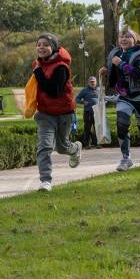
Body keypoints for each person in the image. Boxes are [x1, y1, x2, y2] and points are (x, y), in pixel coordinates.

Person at [99, 26, 140, 171]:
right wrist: (107, 70)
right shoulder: (116, 53)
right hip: (124, 96)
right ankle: (126, 159)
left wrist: (120, 64)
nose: (124, 39)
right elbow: (116, 72)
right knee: (121, 125)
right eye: (121, 36)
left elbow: (138, 74)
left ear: (134, 39)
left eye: (127, 36)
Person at [32, 33, 83, 192]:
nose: (41, 47)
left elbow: (54, 91)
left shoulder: (61, 67)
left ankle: (75, 148)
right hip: (45, 114)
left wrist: (38, 73)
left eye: (46, 45)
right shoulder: (38, 65)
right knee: (45, 147)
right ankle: (45, 181)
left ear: (53, 47)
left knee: (62, 147)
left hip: (64, 113)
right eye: (39, 44)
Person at [75, 76, 99, 149]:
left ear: (96, 82)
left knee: (97, 128)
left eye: (93, 82)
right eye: (91, 82)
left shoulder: (99, 90)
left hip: (97, 112)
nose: (92, 83)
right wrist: (83, 102)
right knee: (87, 128)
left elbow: (103, 98)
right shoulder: (84, 90)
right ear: (88, 82)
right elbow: (77, 99)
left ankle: (97, 143)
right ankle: (87, 144)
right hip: (88, 111)